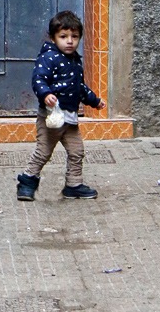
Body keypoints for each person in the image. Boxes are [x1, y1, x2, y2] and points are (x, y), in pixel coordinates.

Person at [16, 10, 106, 201]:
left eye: (74, 37)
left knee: (77, 151)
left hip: (70, 119)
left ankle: (73, 185)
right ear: (53, 37)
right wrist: (46, 94)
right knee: (43, 152)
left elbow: (79, 88)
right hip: (51, 118)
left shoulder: (75, 61)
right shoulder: (49, 58)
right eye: (63, 37)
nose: (69, 41)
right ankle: (27, 181)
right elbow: (38, 79)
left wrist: (95, 101)